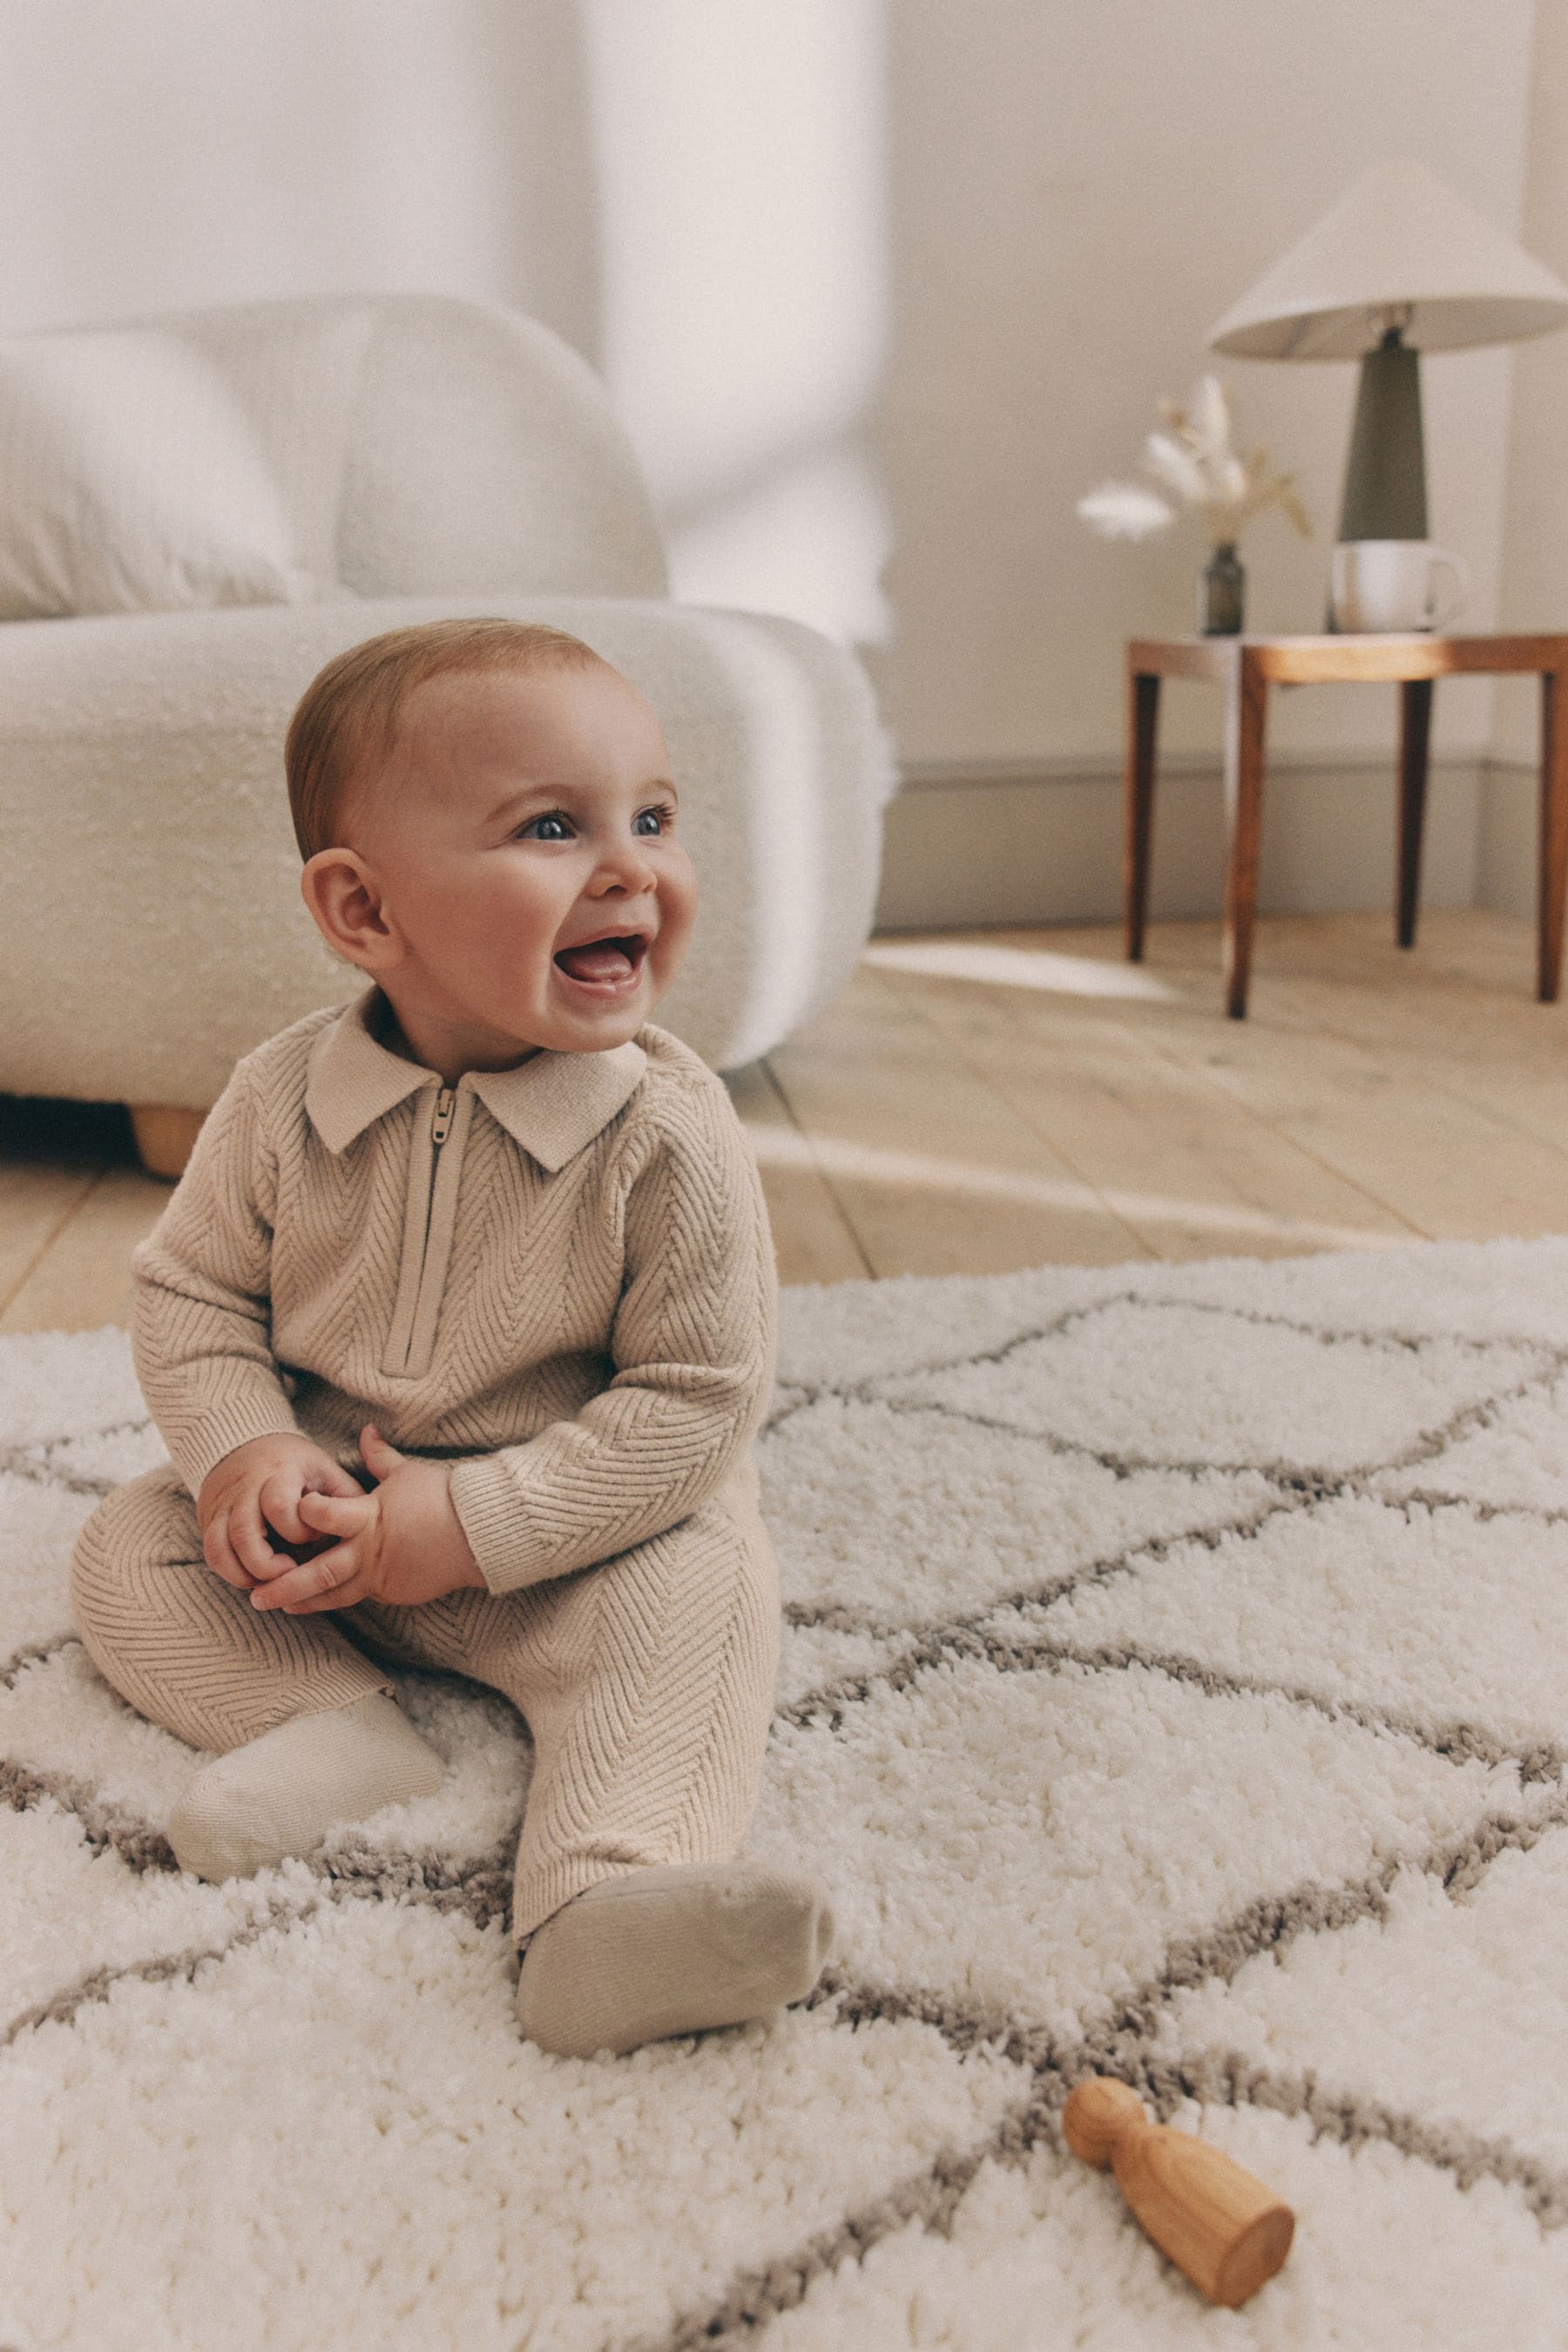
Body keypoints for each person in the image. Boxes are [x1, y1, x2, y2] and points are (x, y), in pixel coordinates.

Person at [69, 616, 835, 2059]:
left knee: (704, 1609)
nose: (632, 869)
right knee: (131, 1550)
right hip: (332, 1540)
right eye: (554, 826)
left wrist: (479, 1521)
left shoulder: (669, 1131)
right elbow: (193, 1297)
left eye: (653, 818)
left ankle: (605, 1904)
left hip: (577, 1552)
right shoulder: (280, 1097)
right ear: (363, 913)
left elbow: (697, 1400)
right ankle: (332, 1733)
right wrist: (249, 1457)